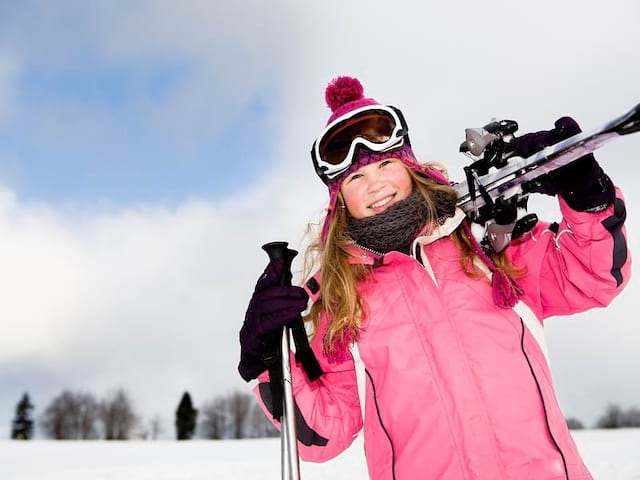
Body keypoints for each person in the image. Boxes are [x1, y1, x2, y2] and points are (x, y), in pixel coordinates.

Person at [237, 76, 630, 479]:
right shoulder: (340, 301)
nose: (376, 185)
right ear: (339, 201)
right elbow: (323, 433)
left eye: (386, 164)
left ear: (410, 167)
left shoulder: (487, 247)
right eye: (355, 178)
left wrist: (587, 196)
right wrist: (262, 359)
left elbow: (593, 276)